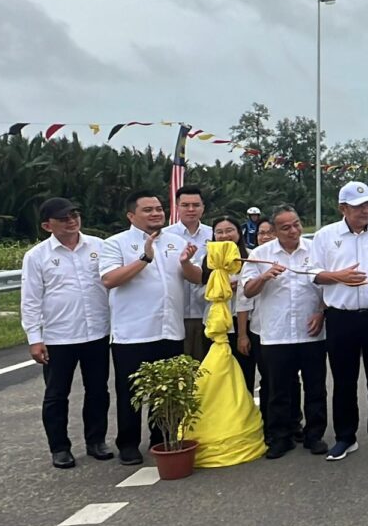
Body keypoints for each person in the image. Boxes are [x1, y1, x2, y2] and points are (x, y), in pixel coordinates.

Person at [100, 190, 204, 465]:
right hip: (133, 333)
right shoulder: (115, 244)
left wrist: (185, 263)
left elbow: (197, 278)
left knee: (166, 391)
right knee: (131, 393)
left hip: (170, 329)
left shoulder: (176, 241)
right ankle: (128, 444)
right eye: (148, 210)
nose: (156, 213)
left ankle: (161, 438)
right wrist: (144, 259)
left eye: (158, 208)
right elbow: (109, 279)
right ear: (131, 215)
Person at [310, 181, 368, 461]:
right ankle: (345, 437)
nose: (366, 210)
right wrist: (338, 277)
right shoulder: (325, 236)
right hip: (341, 317)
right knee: (344, 380)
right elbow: (312, 273)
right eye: (359, 206)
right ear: (343, 208)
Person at [21, 198, 112, 469]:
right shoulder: (37, 256)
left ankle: (96, 441)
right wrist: (34, 339)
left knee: (98, 390)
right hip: (59, 336)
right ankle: (59, 448)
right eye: (63, 218)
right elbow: (30, 300)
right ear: (47, 226)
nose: (72, 221)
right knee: (56, 395)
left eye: (74, 215)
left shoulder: (99, 246)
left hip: (97, 331)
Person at [243, 205, 328, 460]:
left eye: (296, 224)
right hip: (276, 332)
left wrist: (321, 312)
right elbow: (247, 291)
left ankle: (314, 435)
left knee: (315, 387)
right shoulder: (260, 255)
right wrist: (264, 277)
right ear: (274, 230)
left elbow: (327, 287)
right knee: (278, 390)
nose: (293, 231)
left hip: (310, 331)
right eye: (286, 227)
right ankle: (281, 437)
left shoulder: (316, 250)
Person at [165, 185, 212, 361]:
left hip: (207, 312)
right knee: (177, 368)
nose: (191, 209)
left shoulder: (215, 235)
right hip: (175, 314)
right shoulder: (164, 236)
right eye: (185, 205)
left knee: (205, 367)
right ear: (177, 207)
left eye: (196, 205)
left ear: (203, 207)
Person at [212, 216, 256, 396]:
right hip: (216, 325)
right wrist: (219, 288)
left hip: (244, 323)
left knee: (244, 375)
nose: (224, 235)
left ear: (239, 232)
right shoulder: (208, 259)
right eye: (219, 232)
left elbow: (254, 292)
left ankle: (245, 410)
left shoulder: (252, 256)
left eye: (229, 230)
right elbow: (198, 290)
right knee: (218, 377)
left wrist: (242, 287)